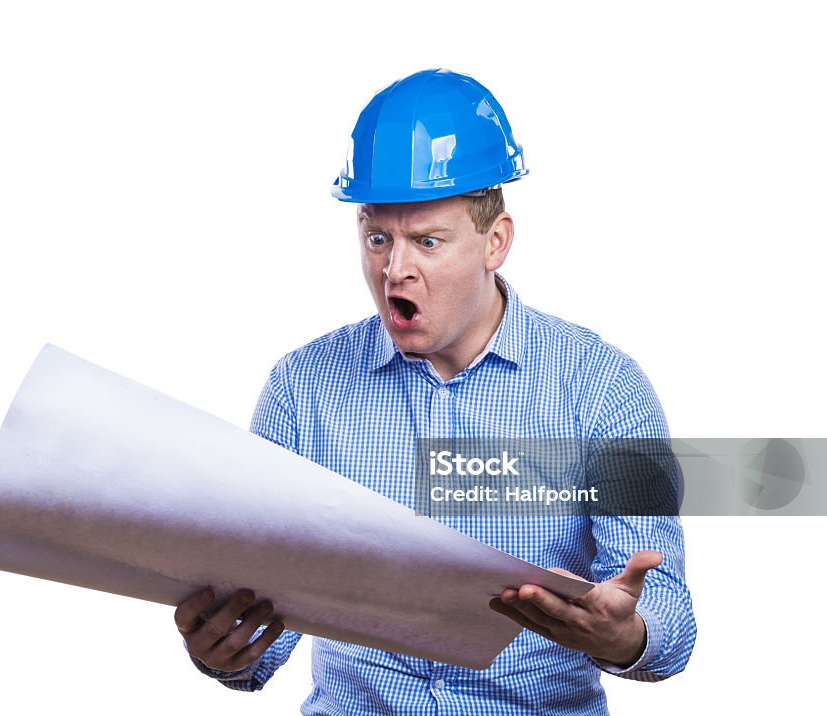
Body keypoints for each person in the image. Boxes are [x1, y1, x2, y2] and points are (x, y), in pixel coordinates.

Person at [173, 69, 696, 715]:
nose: (395, 269)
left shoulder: (602, 388)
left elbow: (667, 618)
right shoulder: (300, 390)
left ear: (494, 242)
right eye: (376, 238)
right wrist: (228, 650)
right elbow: (264, 629)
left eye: (427, 240)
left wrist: (627, 637)